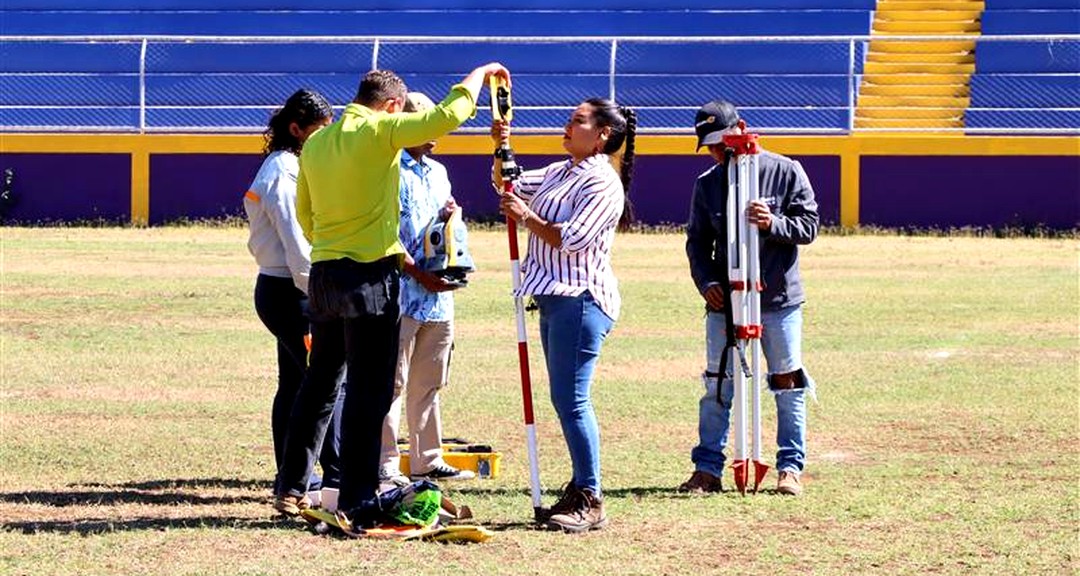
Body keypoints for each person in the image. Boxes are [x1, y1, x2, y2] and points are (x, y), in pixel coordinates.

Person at [273, 63, 511, 520]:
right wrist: (479, 76)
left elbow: (305, 214)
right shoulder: (381, 130)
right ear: (392, 106)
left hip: (325, 273)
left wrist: (332, 243)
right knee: (369, 388)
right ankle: (359, 495)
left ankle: (290, 486)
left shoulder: (318, 141)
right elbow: (446, 117)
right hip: (370, 275)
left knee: (320, 382)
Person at [491, 97, 636, 532]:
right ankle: (580, 487)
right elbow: (509, 185)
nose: (568, 126)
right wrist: (502, 147)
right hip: (554, 297)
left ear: (603, 134)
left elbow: (571, 239)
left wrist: (526, 218)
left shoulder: (603, 183)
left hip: (581, 298)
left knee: (571, 400)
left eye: (578, 121)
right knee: (564, 398)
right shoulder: (560, 171)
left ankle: (591, 497)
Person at [680, 99, 818, 497]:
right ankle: (707, 469)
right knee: (717, 384)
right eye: (710, 147)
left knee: (787, 381)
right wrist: (707, 284)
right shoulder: (707, 184)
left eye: (721, 143)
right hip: (725, 304)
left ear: (740, 129)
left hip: (778, 300)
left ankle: (789, 468)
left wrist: (772, 223)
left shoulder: (785, 170)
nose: (718, 152)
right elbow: (697, 243)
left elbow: (809, 226)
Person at [242, 88, 342, 499]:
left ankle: (293, 470)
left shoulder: (292, 165)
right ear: (296, 129)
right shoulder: (283, 171)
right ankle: (335, 472)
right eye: (318, 131)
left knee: (295, 382)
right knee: (324, 383)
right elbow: (296, 240)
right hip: (291, 290)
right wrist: (317, 289)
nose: (326, 138)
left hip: (286, 287)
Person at [379, 91, 475, 488]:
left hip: (439, 297)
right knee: (390, 382)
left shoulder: (438, 172)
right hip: (401, 293)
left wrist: (452, 220)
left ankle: (427, 458)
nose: (436, 134)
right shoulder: (385, 169)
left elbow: (441, 226)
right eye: (427, 124)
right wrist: (418, 273)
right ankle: (384, 461)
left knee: (430, 379)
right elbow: (385, 234)